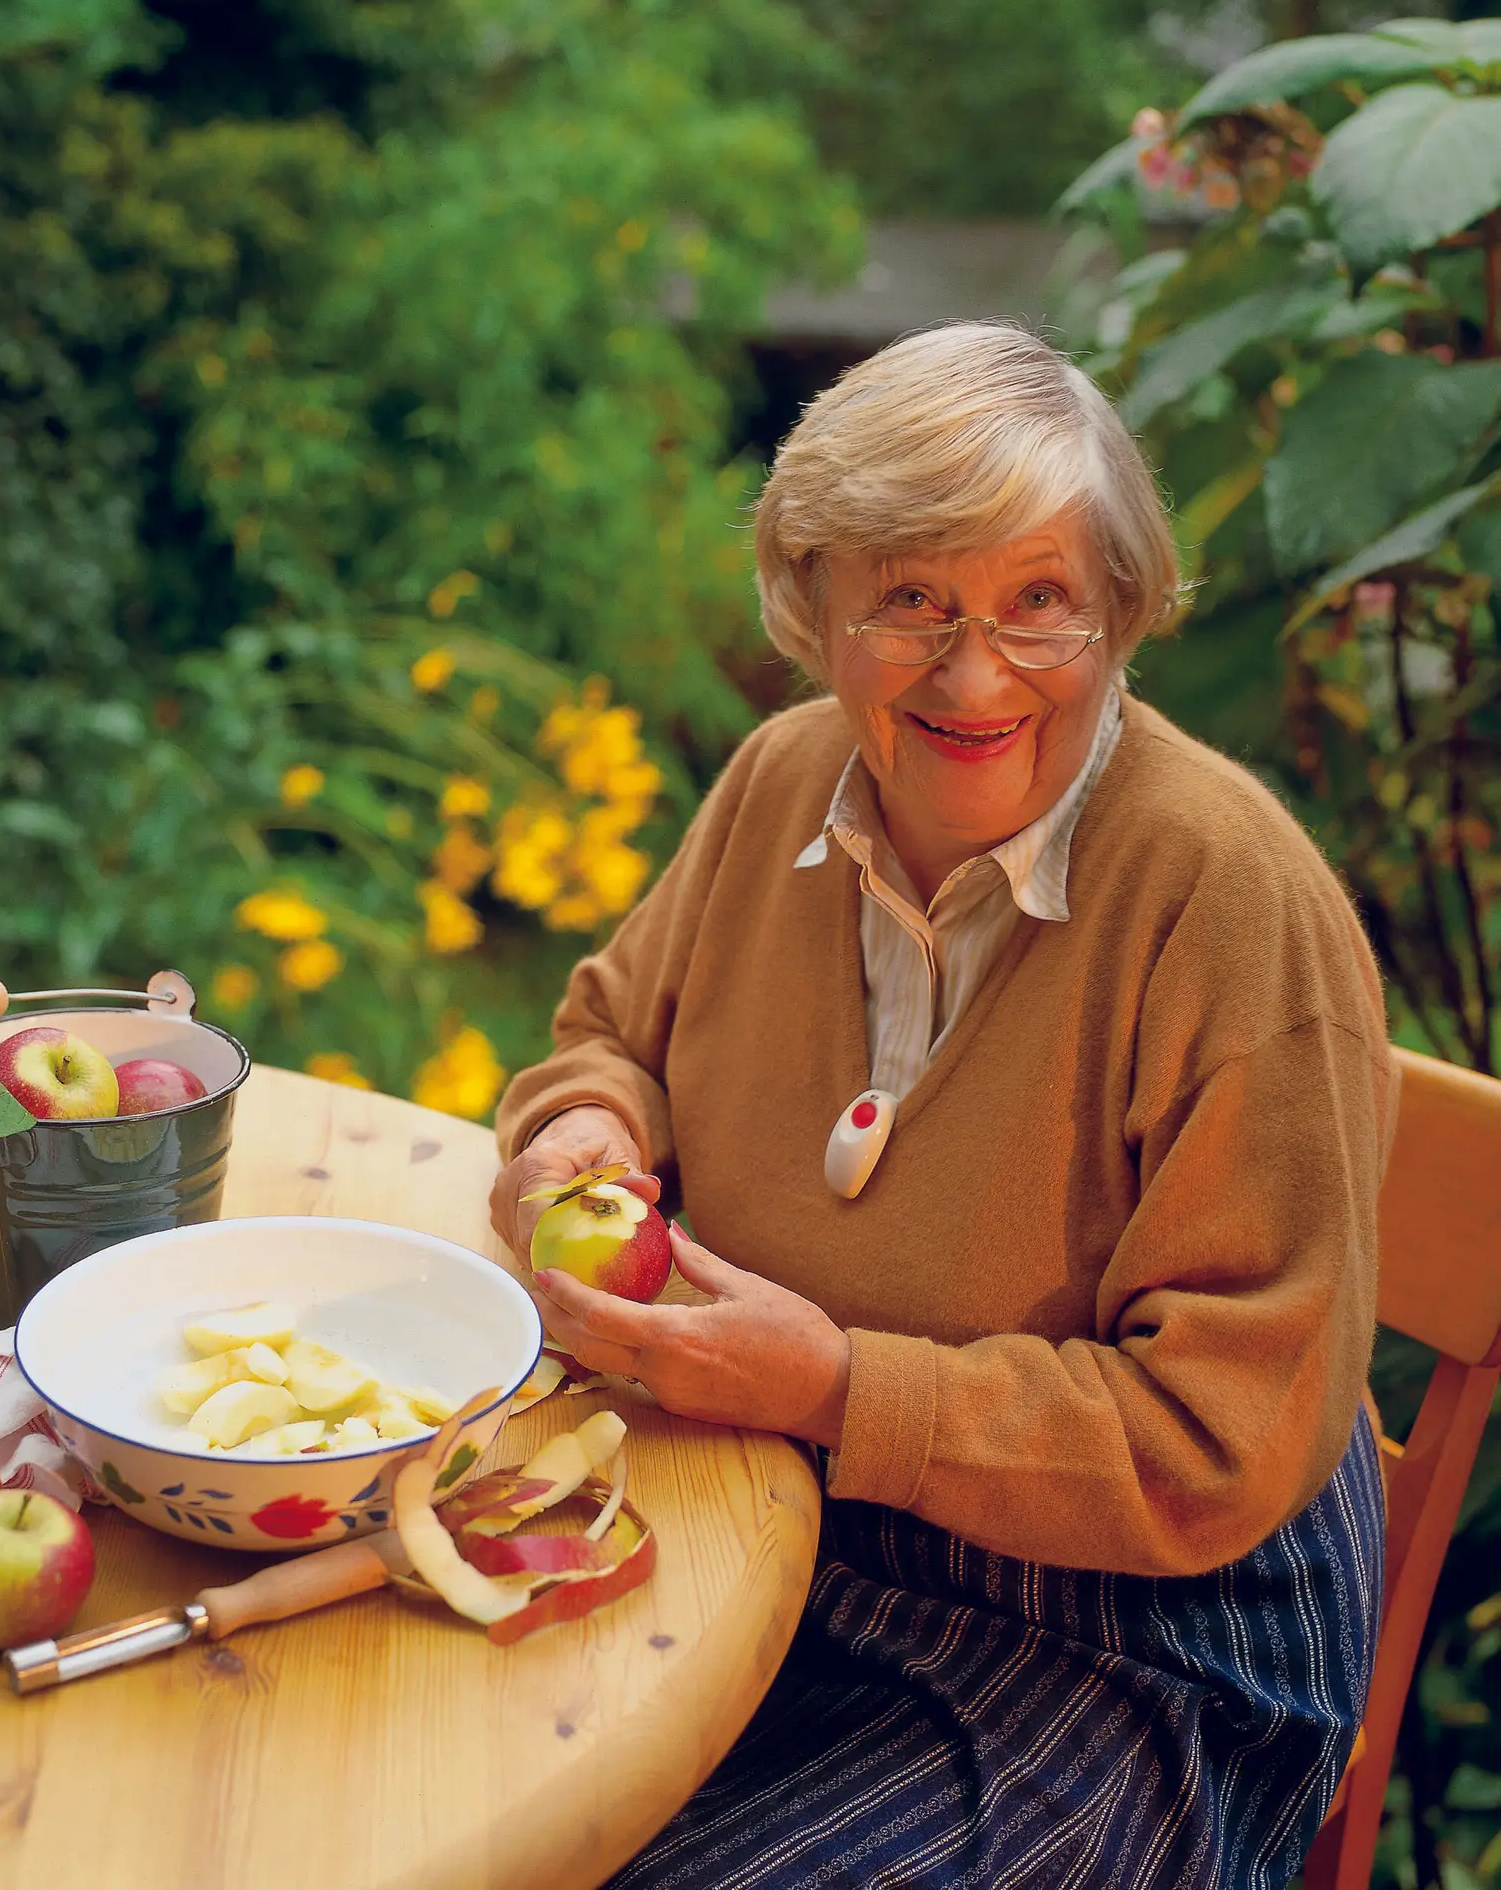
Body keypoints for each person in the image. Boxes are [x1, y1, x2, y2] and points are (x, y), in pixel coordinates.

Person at [489, 322, 1393, 1890]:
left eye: (1038, 601)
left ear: (1117, 612)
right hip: (780, 1524)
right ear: (812, 609)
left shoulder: (1226, 898)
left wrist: (843, 1390)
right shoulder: (782, 779)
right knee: (459, 1792)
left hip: (1139, 1641)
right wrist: (587, 1131)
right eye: (908, 601)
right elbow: (612, 1034)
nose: (973, 675)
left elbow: (1215, 1436)